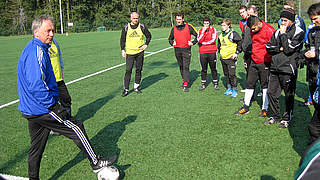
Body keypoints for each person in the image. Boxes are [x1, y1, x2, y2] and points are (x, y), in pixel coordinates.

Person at [17, 15, 116, 180]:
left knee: (36, 148)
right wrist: (53, 105)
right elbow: (36, 85)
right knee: (76, 127)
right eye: (47, 30)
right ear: (36, 32)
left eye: (53, 31)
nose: (51, 34)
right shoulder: (36, 51)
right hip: (42, 108)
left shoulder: (35, 48)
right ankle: (96, 162)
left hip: (30, 110)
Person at [264, 9, 305, 129]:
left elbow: (288, 49)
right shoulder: (277, 31)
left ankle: (286, 119)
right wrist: (279, 48)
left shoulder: (299, 32)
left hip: (288, 68)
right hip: (275, 67)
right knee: (271, 92)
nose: (283, 22)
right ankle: (276, 117)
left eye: (285, 20)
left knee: (289, 95)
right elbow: (268, 47)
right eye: (282, 20)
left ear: (292, 21)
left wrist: (283, 35)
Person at [234, 16, 275, 117]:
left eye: (253, 29)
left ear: (259, 24)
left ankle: (265, 109)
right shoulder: (252, 29)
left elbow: (275, 47)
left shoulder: (269, 31)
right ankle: (245, 106)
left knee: (264, 85)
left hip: (265, 62)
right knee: (249, 83)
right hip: (254, 60)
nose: (252, 31)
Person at [120, 12, 152, 97]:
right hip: (130, 53)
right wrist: (123, 50)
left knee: (139, 69)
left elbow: (149, 36)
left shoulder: (142, 27)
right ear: (131, 18)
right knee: (128, 70)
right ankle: (126, 89)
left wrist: (146, 44)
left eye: (137, 18)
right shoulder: (126, 27)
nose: (136, 20)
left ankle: (136, 87)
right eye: (134, 18)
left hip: (139, 53)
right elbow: (122, 39)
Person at [168, 12, 198, 92]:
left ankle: (185, 84)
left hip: (186, 49)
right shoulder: (173, 28)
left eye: (180, 19)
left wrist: (193, 42)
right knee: (181, 66)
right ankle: (184, 80)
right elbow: (170, 39)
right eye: (177, 19)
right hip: (177, 50)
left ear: (183, 19)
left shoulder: (189, 26)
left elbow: (198, 35)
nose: (178, 21)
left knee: (186, 66)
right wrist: (172, 43)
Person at [305, 2, 320, 142]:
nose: (314, 22)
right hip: (314, 72)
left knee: (314, 127)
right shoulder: (313, 31)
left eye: (316, 19)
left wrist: (316, 54)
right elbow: (308, 46)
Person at [217, 18, 242, 97]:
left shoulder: (233, 34)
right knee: (226, 74)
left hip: (231, 58)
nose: (222, 27)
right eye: (222, 25)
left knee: (232, 74)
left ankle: (235, 89)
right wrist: (220, 53)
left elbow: (240, 43)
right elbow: (219, 45)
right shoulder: (220, 35)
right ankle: (229, 88)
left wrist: (236, 52)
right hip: (223, 58)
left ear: (228, 25)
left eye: (224, 25)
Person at [49, 38, 72, 116]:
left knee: (66, 99)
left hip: (58, 79)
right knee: (51, 104)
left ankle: (67, 119)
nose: (51, 33)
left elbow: (59, 56)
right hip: (48, 81)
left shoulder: (54, 41)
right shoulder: (39, 46)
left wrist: (61, 69)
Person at [197, 17, 219, 91]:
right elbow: (199, 40)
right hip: (202, 52)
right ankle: (203, 84)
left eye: (207, 23)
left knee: (213, 68)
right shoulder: (200, 30)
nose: (206, 25)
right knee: (203, 69)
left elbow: (213, 40)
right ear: (203, 24)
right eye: (205, 23)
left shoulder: (213, 30)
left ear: (209, 23)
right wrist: (203, 31)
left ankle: (215, 83)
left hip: (212, 51)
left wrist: (204, 43)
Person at [238, 6, 252, 93]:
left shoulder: (252, 21)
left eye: (243, 12)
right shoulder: (242, 23)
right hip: (246, 50)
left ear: (247, 11)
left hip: (253, 50)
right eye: (240, 13)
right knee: (248, 70)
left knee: (254, 71)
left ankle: (262, 89)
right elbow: (244, 36)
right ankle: (249, 89)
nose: (242, 14)